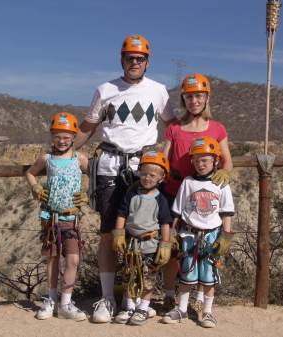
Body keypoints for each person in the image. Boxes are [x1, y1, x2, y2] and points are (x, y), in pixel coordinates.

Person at [73, 35, 177, 323]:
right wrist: (65, 152)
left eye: (139, 58)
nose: (134, 62)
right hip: (109, 167)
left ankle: (137, 299)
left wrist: (205, 149)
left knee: (143, 235)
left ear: (147, 62)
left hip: (144, 169)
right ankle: (108, 299)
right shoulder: (105, 90)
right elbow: (87, 128)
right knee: (110, 233)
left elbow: (174, 128)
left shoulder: (158, 91)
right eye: (130, 57)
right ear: (122, 60)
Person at [159, 73, 233, 318]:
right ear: (183, 100)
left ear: (207, 98)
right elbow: (164, 160)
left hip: (205, 200)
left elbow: (227, 163)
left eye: (198, 96)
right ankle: (170, 297)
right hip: (174, 194)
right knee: (174, 249)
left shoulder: (217, 128)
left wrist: (224, 175)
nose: (194, 101)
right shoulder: (174, 128)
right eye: (189, 97)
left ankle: (200, 300)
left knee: (204, 249)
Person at [161, 136, 235, 328]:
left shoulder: (221, 184)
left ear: (216, 161)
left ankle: (208, 312)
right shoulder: (188, 182)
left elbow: (226, 211)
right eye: (197, 159)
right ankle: (182, 309)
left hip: (211, 235)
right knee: (186, 273)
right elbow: (178, 209)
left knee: (209, 275)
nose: (201, 164)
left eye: (205, 159)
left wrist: (226, 235)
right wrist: (172, 235)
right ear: (191, 161)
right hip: (189, 234)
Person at [25, 112, 89, 321]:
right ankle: (51, 299)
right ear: (52, 137)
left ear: (73, 138)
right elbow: (30, 172)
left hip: (71, 217)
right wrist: (35, 188)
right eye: (57, 137)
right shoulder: (47, 158)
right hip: (51, 216)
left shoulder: (80, 159)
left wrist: (88, 196)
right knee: (52, 258)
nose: (62, 141)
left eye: (66, 137)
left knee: (72, 258)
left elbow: (95, 177)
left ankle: (66, 302)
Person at [112, 151, 172, 325]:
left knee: (148, 278)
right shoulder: (131, 195)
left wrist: (165, 244)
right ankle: (129, 306)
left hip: (150, 245)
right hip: (131, 244)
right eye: (144, 173)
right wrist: (118, 233)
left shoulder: (160, 200)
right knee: (128, 275)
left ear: (161, 178)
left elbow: (165, 223)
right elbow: (122, 214)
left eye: (152, 175)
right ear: (139, 172)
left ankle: (143, 308)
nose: (147, 178)